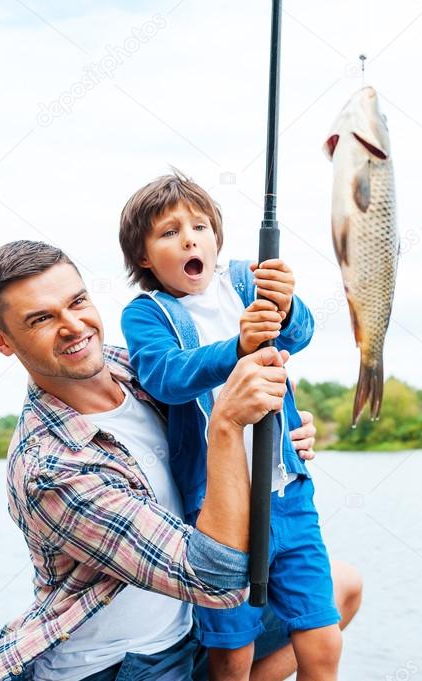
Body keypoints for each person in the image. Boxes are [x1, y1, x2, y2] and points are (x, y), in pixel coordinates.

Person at [0, 240, 360, 681]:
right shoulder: (49, 467)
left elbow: (212, 381)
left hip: (188, 628)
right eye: (41, 319)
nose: (73, 326)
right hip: (123, 664)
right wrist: (227, 425)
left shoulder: (133, 369)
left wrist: (276, 434)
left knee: (341, 588)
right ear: (1, 340)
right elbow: (214, 580)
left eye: (77, 302)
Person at [118, 173, 341, 681]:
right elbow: (166, 375)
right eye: (169, 232)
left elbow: (299, 335)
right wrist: (236, 349)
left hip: (288, 493)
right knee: (232, 651)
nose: (190, 238)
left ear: (218, 238)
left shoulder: (245, 280)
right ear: (145, 258)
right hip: (217, 509)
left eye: (200, 226)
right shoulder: (147, 313)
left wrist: (286, 304)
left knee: (322, 635)